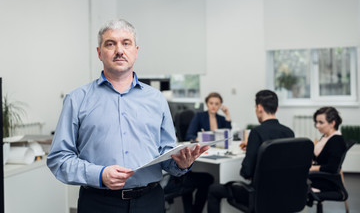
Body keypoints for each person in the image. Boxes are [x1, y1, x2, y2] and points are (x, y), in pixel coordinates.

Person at [46, 19, 209, 213]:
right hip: (99, 203)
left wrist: (180, 164)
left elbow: (166, 153)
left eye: (126, 43)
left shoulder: (156, 99)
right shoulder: (76, 99)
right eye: (110, 43)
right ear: (99, 53)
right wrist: (99, 174)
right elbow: (59, 159)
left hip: (151, 202)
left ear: (136, 51)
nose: (119, 50)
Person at [207, 89, 295, 213]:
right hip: (283, 194)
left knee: (213, 190)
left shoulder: (257, 132)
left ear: (259, 107)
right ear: (277, 108)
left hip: (259, 195)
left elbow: (246, 172)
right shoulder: (289, 132)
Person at [309, 106, 346, 191]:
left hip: (325, 181)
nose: (317, 125)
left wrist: (313, 168)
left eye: (321, 122)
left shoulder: (336, 141)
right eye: (316, 122)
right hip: (319, 176)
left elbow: (332, 167)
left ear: (332, 123)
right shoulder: (326, 136)